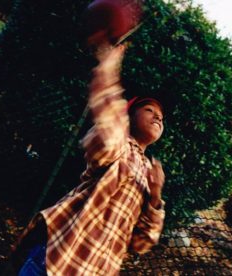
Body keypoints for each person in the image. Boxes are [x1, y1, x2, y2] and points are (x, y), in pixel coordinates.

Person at [11, 42, 166, 275]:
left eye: (161, 117)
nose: (157, 117)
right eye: (149, 111)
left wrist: (155, 195)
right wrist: (108, 67)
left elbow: (142, 243)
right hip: (58, 262)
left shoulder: (149, 172)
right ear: (129, 119)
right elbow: (108, 122)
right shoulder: (120, 146)